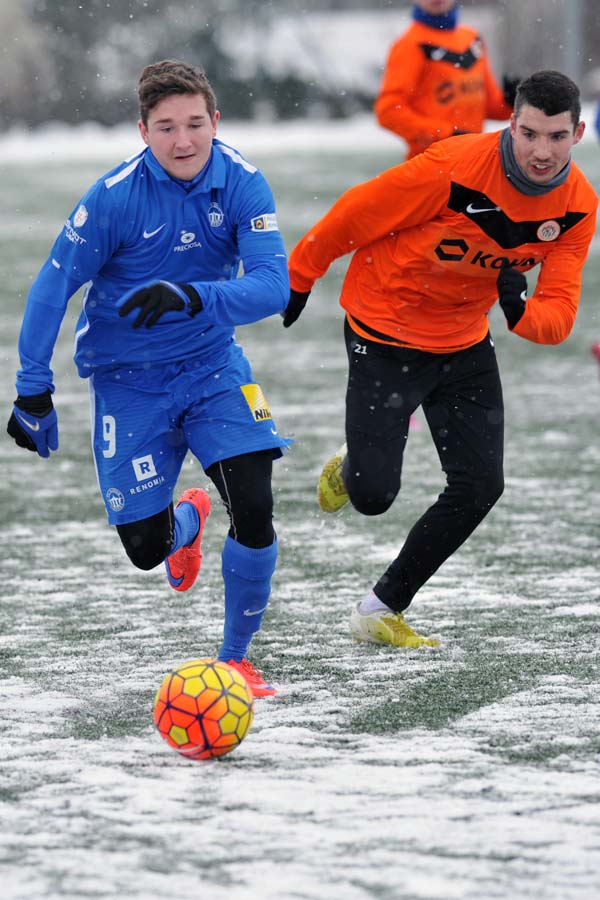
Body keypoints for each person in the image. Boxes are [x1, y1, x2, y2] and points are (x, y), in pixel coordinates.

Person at [283, 70, 597, 649]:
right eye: (530, 133)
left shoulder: (578, 206)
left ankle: (381, 608)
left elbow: (558, 316)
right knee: (373, 497)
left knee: (480, 485)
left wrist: (520, 313)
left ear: (577, 134)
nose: (542, 151)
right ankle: (354, 467)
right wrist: (302, 273)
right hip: (385, 326)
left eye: (557, 137)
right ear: (512, 124)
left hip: (463, 340)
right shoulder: (452, 166)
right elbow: (357, 212)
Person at [7, 59, 290, 696]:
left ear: (215, 121)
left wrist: (193, 297)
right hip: (127, 379)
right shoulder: (113, 198)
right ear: (143, 132)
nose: (183, 141)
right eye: (166, 128)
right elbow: (53, 285)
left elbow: (274, 287)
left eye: (195, 124)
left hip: (213, 366)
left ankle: (235, 660)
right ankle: (185, 522)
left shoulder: (243, 183)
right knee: (144, 548)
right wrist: (32, 387)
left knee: (254, 504)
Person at [375, 0, 519, 161]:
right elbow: (388, 111)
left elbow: (489, 106)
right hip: (431, 163)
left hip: (472, 159)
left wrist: (510, 101)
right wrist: (445, 134)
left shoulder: (472, 39)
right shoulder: (409, 45)